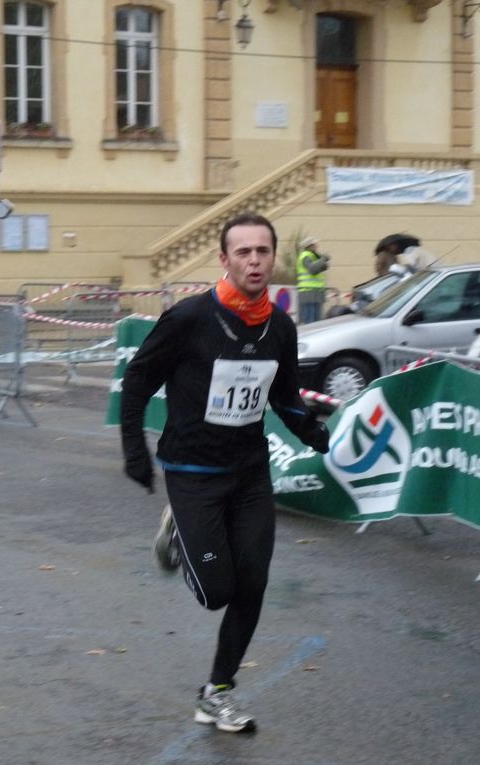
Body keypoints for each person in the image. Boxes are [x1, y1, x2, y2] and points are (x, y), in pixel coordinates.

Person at [119, 212, 331, 734]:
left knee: (253, 583)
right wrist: (135, 451)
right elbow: (138, 381)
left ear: (272, 258)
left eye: (262, 252)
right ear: (224, 259)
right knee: (216, 591)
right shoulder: (189, 318)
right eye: (243, 252)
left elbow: (283, 397)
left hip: (250, 473)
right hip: (193, 470)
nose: (254, 261)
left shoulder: (280, 327)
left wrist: (316, 435)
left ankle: (218, 691)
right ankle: (178, 532)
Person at [295, 236, 330, 324]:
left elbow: (322, 267)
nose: (316, 246)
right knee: (310, 323)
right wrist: (323, 259)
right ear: (309, 246)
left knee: (317, 322)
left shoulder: (312, 256)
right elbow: (312, 270)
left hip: (315, 292)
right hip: (308, 292)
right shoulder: (305, 256)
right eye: (314, 244)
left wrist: (322, 261)